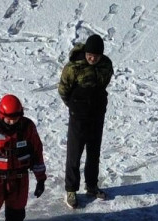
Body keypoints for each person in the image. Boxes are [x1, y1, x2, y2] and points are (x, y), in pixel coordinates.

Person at [58, 34, 114, 209]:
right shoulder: (73, 67)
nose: (92, 58)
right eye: (90, 55)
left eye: (96, 56)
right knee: (74, 154)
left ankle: (92, 186)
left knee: (94, 154)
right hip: (79, 118)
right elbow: (63, 89)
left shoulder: (106, 65)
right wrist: (74, 106)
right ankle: (71, 190)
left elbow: (104, 84)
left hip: (97, 116)